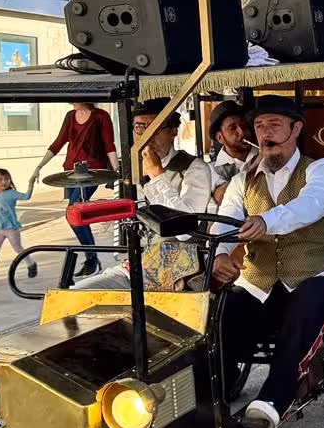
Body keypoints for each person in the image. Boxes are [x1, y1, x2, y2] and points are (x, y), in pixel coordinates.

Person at [212, 96, 324, 428]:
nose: (265, 133)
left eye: (274, 125)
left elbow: (311, 204)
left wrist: (266, 221)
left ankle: (273, 400)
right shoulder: (243, 181)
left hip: (315, 276)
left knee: (306, 306)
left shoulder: (320, 170)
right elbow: (224, 222)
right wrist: (219, 254)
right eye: (259, 127)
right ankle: (209, 399)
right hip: (259, 281)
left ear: (296, 128)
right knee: (220, 316)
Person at [80, 100, 214, 289]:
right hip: (135, 266)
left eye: (156, 128)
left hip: (179, 272)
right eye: (140, 127)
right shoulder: (131, 169)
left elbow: (183, 231)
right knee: (75, 295)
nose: (148, 136)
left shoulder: (195, 168)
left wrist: (156, 174)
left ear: (173, 131)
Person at [37, 103, 117, 277]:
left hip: (92, 172)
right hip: (70, 173)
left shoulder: (101, 116)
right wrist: (39, 166)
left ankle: (91, 258)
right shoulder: (69, 116)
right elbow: (58, 143)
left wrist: (116, 172)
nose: (72, 103)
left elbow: (109, 144)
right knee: (76, 215)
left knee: (72, 211)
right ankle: (92, 259)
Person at [208, 100, 254, 205]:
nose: (241, 132)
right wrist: (257, 165)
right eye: (232, 128)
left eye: (244, 125)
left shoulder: (265, 157)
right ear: (220, 137)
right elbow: (221, 195)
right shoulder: (211, 169)